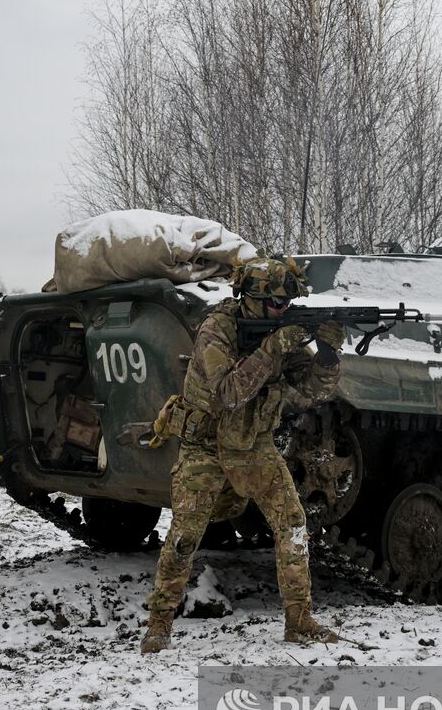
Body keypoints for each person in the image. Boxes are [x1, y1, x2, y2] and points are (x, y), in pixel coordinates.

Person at [141, 256, 343, 653]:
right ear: (250, 299)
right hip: (206, 444)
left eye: (287, 303)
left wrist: (328, 354)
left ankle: (299, 620)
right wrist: (271, 348)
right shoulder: (218, 329)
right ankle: (159, 623)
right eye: (274, 303)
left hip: (254, 444)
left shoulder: (280, 330)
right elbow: (227, 393)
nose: (282, 310)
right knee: (185, 535)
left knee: (292, 524)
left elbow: (314, 390)